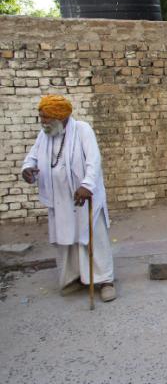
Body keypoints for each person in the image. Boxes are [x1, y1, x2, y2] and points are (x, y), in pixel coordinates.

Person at [21, 95, 116, 302]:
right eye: (41, 118)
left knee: (93, 238)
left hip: (83, 197)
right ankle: (74, 278)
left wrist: (87, 185)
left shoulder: (82, 130)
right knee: (66, 240)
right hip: (60, 199)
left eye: (46, 118)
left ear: (61, 117)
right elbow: (32, 157)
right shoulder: (45, 134)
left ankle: (105, 281)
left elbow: (94, 160)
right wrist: (27, 169)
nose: (43, 122)